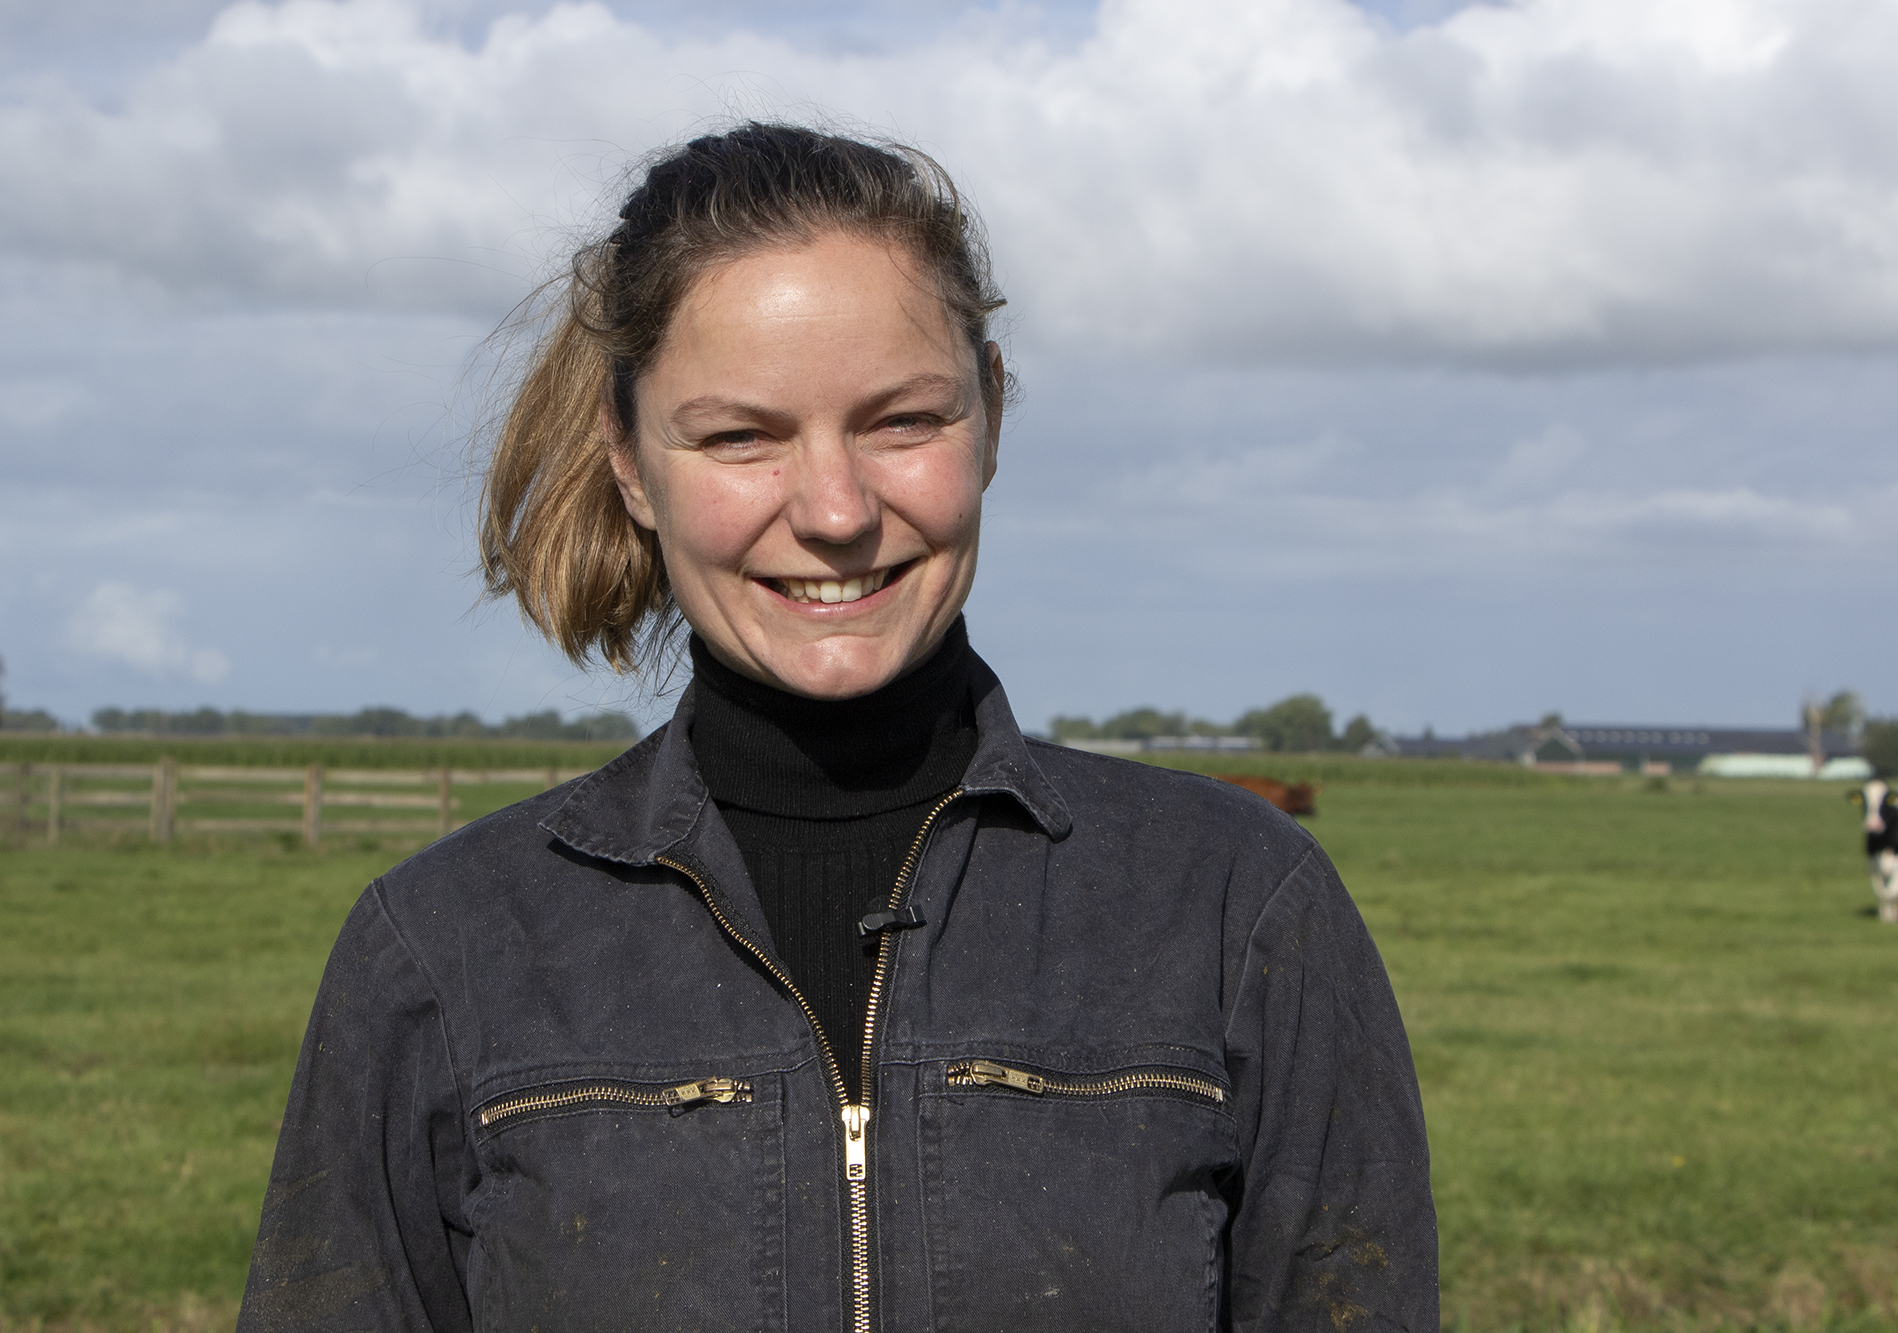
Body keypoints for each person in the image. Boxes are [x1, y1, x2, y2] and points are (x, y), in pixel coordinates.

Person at [238, 123, 1436, 1332]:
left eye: (901, 421)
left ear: (992, 417)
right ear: (631, 467)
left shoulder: (1237, 909)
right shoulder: (441, 949)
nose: (833, 509)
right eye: (739, 436)